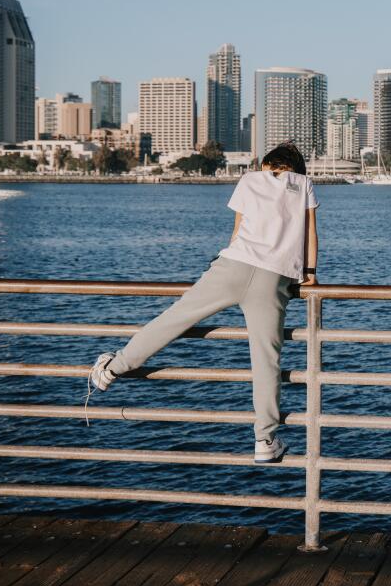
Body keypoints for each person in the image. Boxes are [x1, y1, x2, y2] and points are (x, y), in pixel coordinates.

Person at [87, 142, 319, 464]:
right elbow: (310, 233)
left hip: (233, 266)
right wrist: (309, 273)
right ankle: (264, 439)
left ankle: (112, 369)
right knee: (266, 360)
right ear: (296, 168)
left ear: (268, 164)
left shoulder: (251, 179)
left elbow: (238, 232)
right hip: (274, 279)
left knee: (176, 318)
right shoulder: (304, 184)